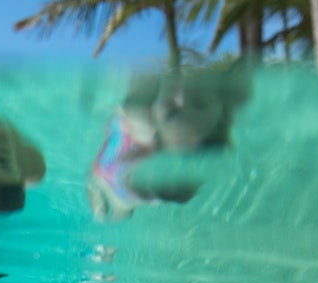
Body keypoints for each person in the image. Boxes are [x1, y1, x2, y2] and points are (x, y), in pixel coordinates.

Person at [87, 65, 251, 221]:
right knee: (119, 207)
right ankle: (103, 227)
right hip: (134, 183)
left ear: (153, 115)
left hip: (114, 175)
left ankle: (100, 222)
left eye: (171, 110)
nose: (183, 96)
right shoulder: (213, 118)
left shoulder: (138, 116)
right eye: (199, 104)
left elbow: (146, 67)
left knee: (105, 192)